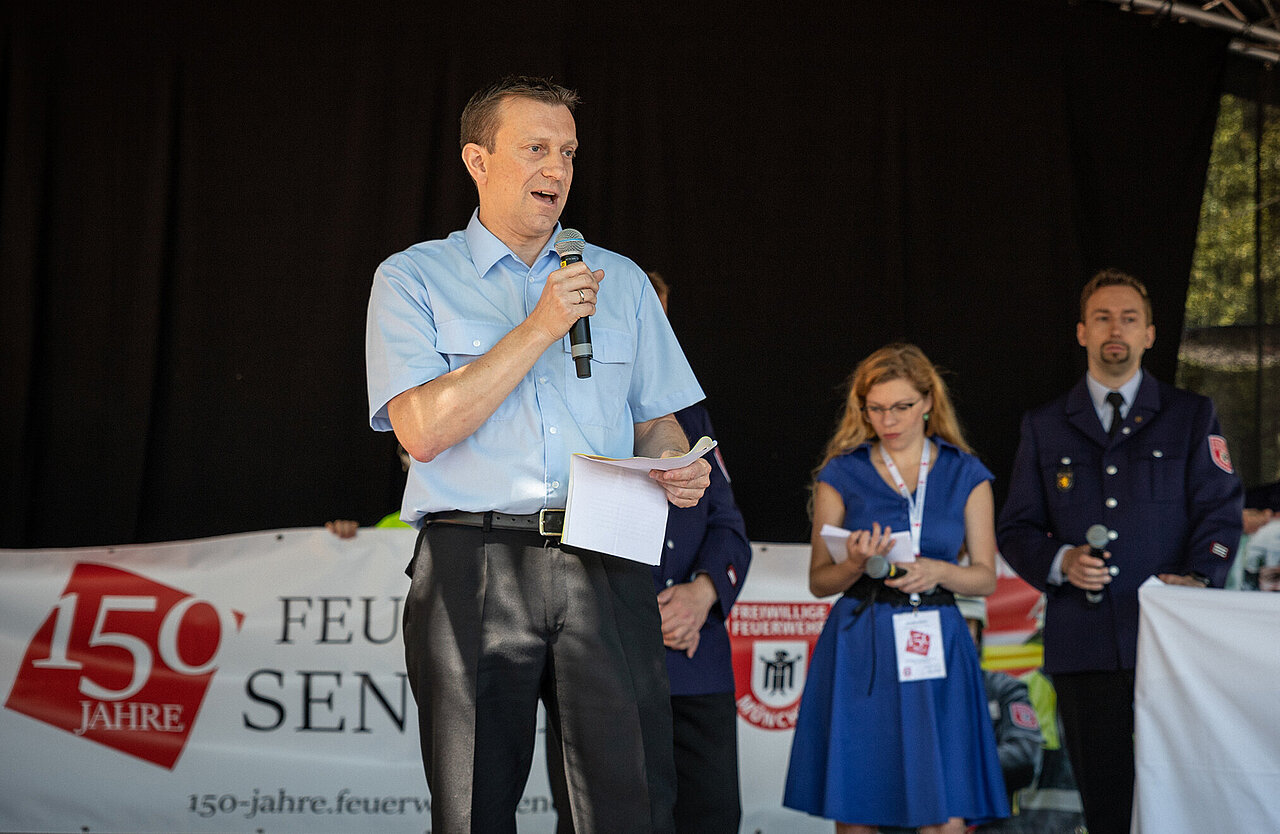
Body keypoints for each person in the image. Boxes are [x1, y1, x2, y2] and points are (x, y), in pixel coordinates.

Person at [364, 75, 711, 834]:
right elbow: (420, 430)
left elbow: (656, 422)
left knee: (631, 803)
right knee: (474, 805)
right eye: (536, 149)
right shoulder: (412, 277)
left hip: (606, 556)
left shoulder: (620, 280)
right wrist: (540, 326)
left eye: (569, 153)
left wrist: (677, 460)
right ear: (478, 161)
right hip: (474, 557)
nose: (557, 169)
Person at [997, 268, 1243, 834]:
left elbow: (1220, 510)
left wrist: (1202, 578)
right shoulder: (1044, 425)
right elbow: (1017, 528)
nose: (1116, 329)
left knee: (1182, 796)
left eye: (1129, 319)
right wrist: (1061, 562)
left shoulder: (1191, 415)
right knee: (1106, 803)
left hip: (1171, 640)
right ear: (1082, 332)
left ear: (1150, 334)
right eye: (1103, 317)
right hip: (1083, 644)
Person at [546, 270, 752, 834]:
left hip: (692, 658)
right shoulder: (563, 408)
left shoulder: (690, 416)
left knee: (710, 817)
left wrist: (702, 594)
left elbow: (728, 527)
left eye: (656, 318)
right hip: (601, 655)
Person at [783, 343, 1010, 834]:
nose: (889, 420)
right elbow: (819, 581)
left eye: (902, 406)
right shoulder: (843, 471)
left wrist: (939, 571)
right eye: (876, 408)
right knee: (858, 804)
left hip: (936, 637)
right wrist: (855, 563)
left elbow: (986, 576)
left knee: (943, 807)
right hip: (861, 640)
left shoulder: (965, 472)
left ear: (928, 401)